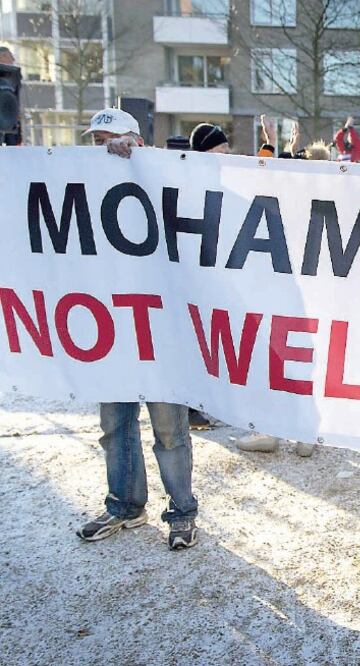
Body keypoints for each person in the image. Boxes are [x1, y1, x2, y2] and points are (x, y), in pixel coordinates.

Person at [75, 108, 199, 550]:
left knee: (170, 428)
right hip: (109, 328)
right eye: (95, 141)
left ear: (135, 143)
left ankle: (182, 511)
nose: (102, 149)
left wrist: (136, 163)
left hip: (159, 329)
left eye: (111, 140)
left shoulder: (162, 179)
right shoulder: (80, 185)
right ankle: (125, 505)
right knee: (115, 424)